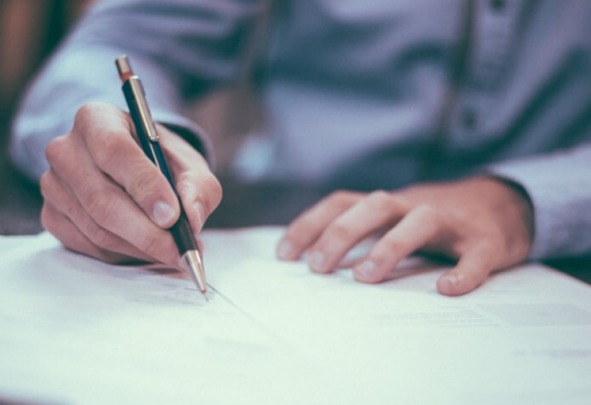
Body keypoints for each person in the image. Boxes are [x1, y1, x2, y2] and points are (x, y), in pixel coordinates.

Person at [9, 0, 591, 296]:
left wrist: (524, 200)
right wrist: (122, 151)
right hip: (286, 237)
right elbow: (118, 43)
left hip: (561, 253)